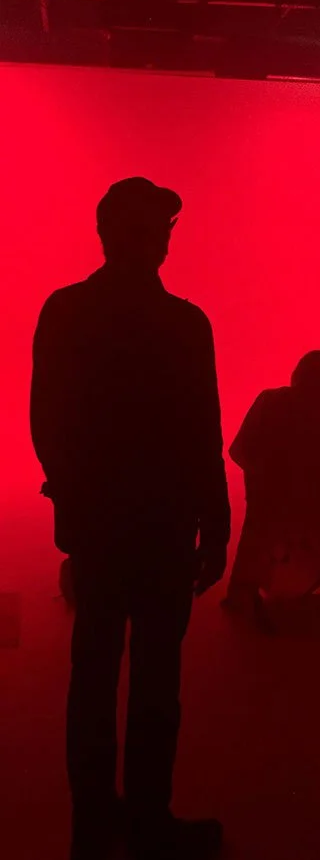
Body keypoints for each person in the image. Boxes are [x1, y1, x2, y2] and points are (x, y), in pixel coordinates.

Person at [30, 177, 230, 860]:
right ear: (147, 238)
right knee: (154, 676)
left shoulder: (64, 312)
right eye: (163, 228)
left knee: (92, 670)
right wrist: (219, 522)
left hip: (98, 526)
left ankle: (92, 823)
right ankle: (148, 818)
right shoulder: (186, 324)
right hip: (166, 527)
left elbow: (45, 420)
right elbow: (203, 430)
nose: (169, 239)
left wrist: (69, 498)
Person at [222, 351, 320, 631]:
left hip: (266, 508)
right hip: (310, 513)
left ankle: (245, 592)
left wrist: (262, 481)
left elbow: (239, 449)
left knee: (257, 536)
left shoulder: (269, 401)